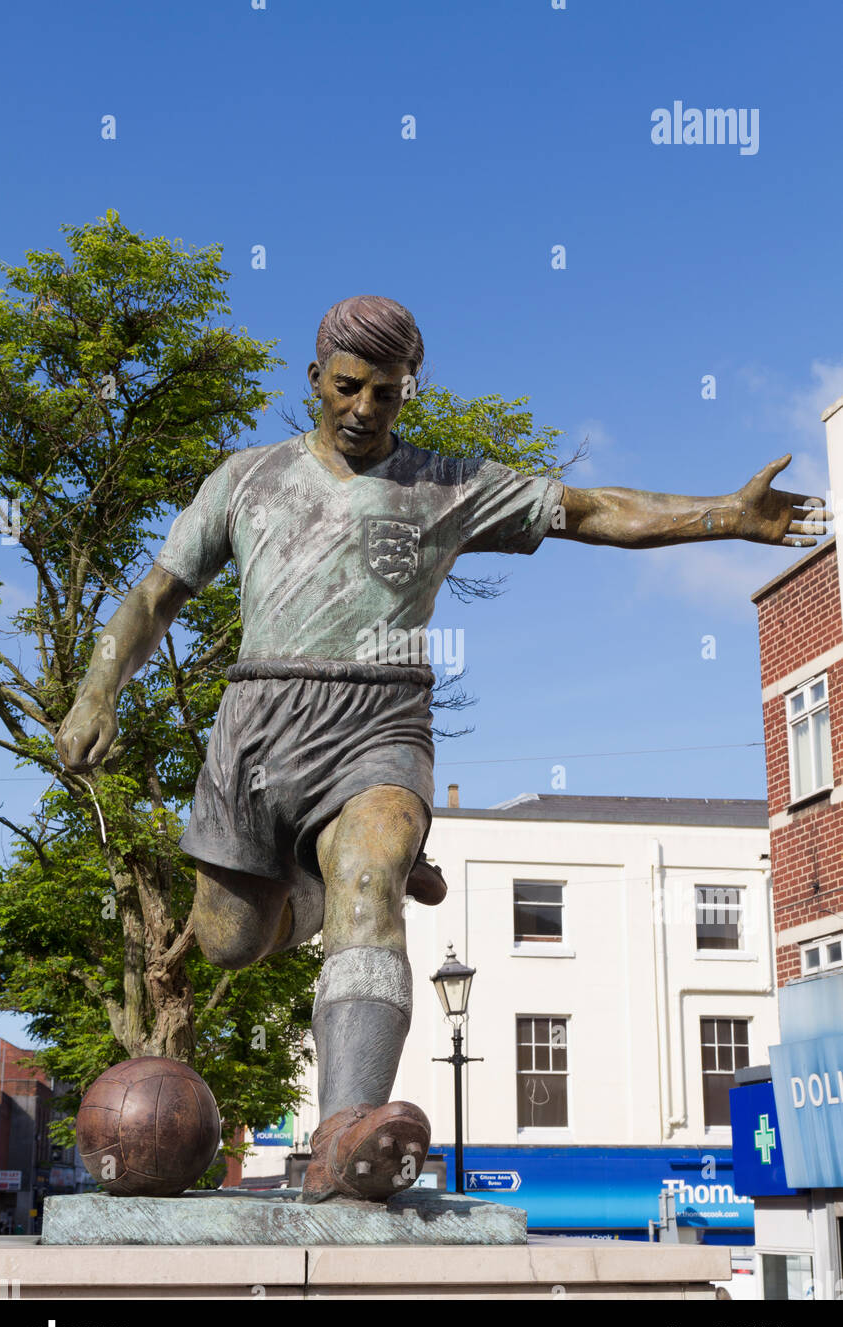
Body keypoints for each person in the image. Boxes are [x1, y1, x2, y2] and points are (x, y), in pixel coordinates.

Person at [56, 294, 829, 1203]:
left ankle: (345, 1135)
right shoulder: (246, 480)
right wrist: (97, 688)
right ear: (315, 380)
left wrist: (725, 518)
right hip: (257, 725)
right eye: (347, 388)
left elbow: (587, 509)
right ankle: (315, 877)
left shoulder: (445, 484)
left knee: (371, 878)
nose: (362, 410)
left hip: (380, 722)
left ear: (406, 393)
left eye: (385, 395)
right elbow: (156, 594)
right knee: (227, 942)